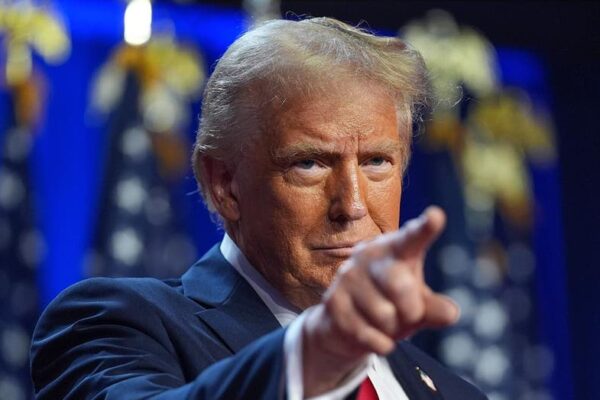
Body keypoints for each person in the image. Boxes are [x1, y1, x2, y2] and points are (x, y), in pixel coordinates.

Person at [31, 17, 487, 399]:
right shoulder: (110, 325)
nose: (351, 205)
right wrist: (314, 357)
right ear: (224, 184)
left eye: (376, 162)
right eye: (309, 163)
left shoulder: (455, 393)